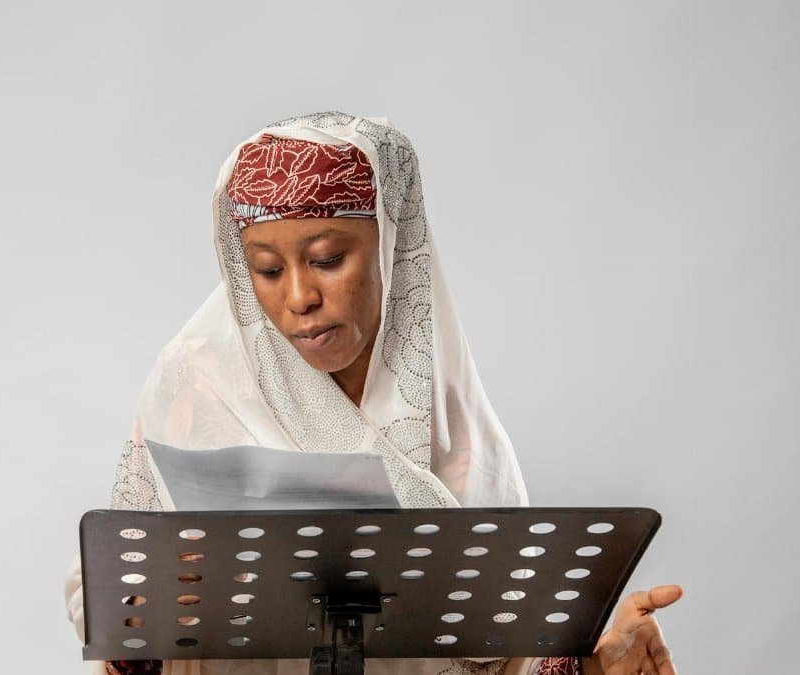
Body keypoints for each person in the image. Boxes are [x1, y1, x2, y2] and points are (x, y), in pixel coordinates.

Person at [63, 111, 681, 675]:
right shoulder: (198, 378)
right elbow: (111, 592)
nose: (298, 297)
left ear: (392, 247)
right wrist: (146, 612)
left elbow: (495, 652)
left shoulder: (448, 418)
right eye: (267, 270)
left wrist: (589, 665)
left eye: (327, 259)